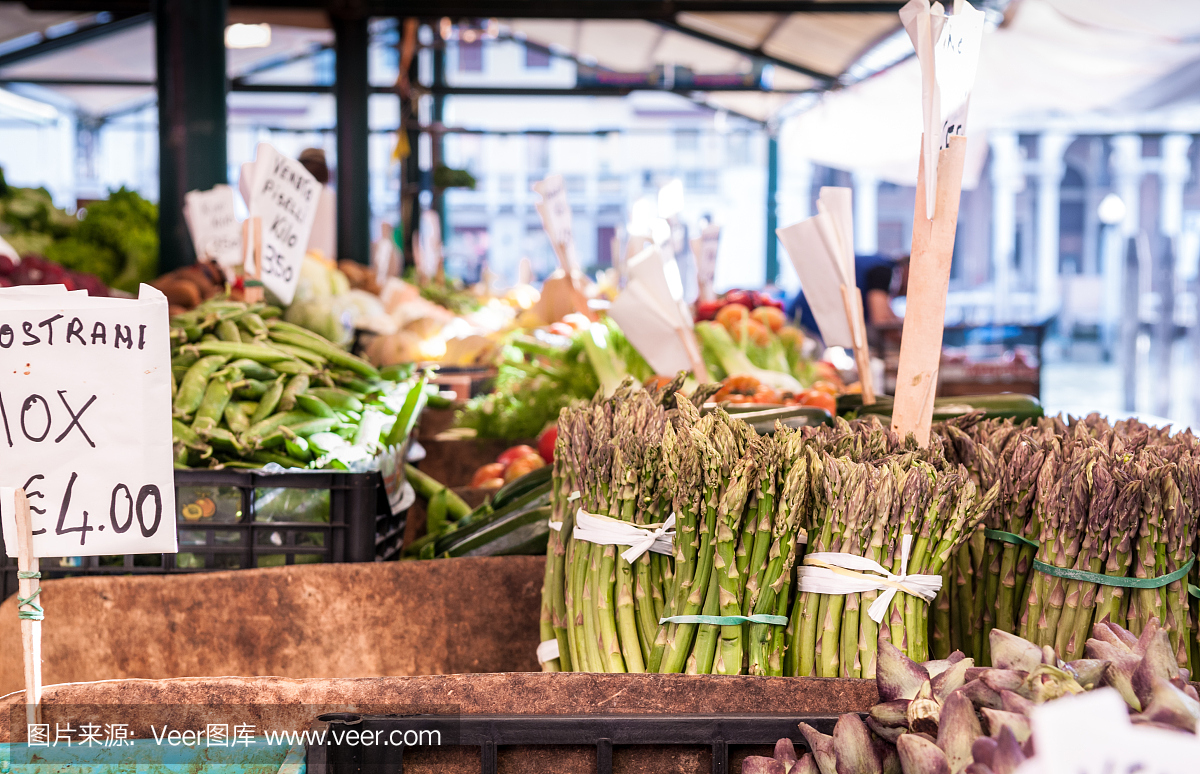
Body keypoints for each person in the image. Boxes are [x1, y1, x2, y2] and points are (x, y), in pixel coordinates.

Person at [787, 253, 905, 342]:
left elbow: (887, 317)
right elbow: (881, 322)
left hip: (806, 320)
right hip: (807, 326)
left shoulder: (878, 265)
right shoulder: (883, 271)